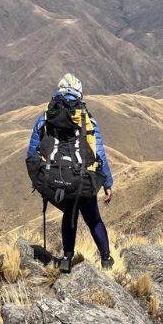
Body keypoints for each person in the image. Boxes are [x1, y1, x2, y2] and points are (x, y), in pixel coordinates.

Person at [26, 73, 114, 272]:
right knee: (93, 219)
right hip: (82, 180)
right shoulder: (87, 119)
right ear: (79, 94)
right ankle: (106, 260)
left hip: (54, 179)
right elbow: (99, 154)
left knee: (69, 213)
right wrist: (107, 183)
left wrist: (39, 179)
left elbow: (32, 153)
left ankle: (67, 258)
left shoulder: (46, 117)